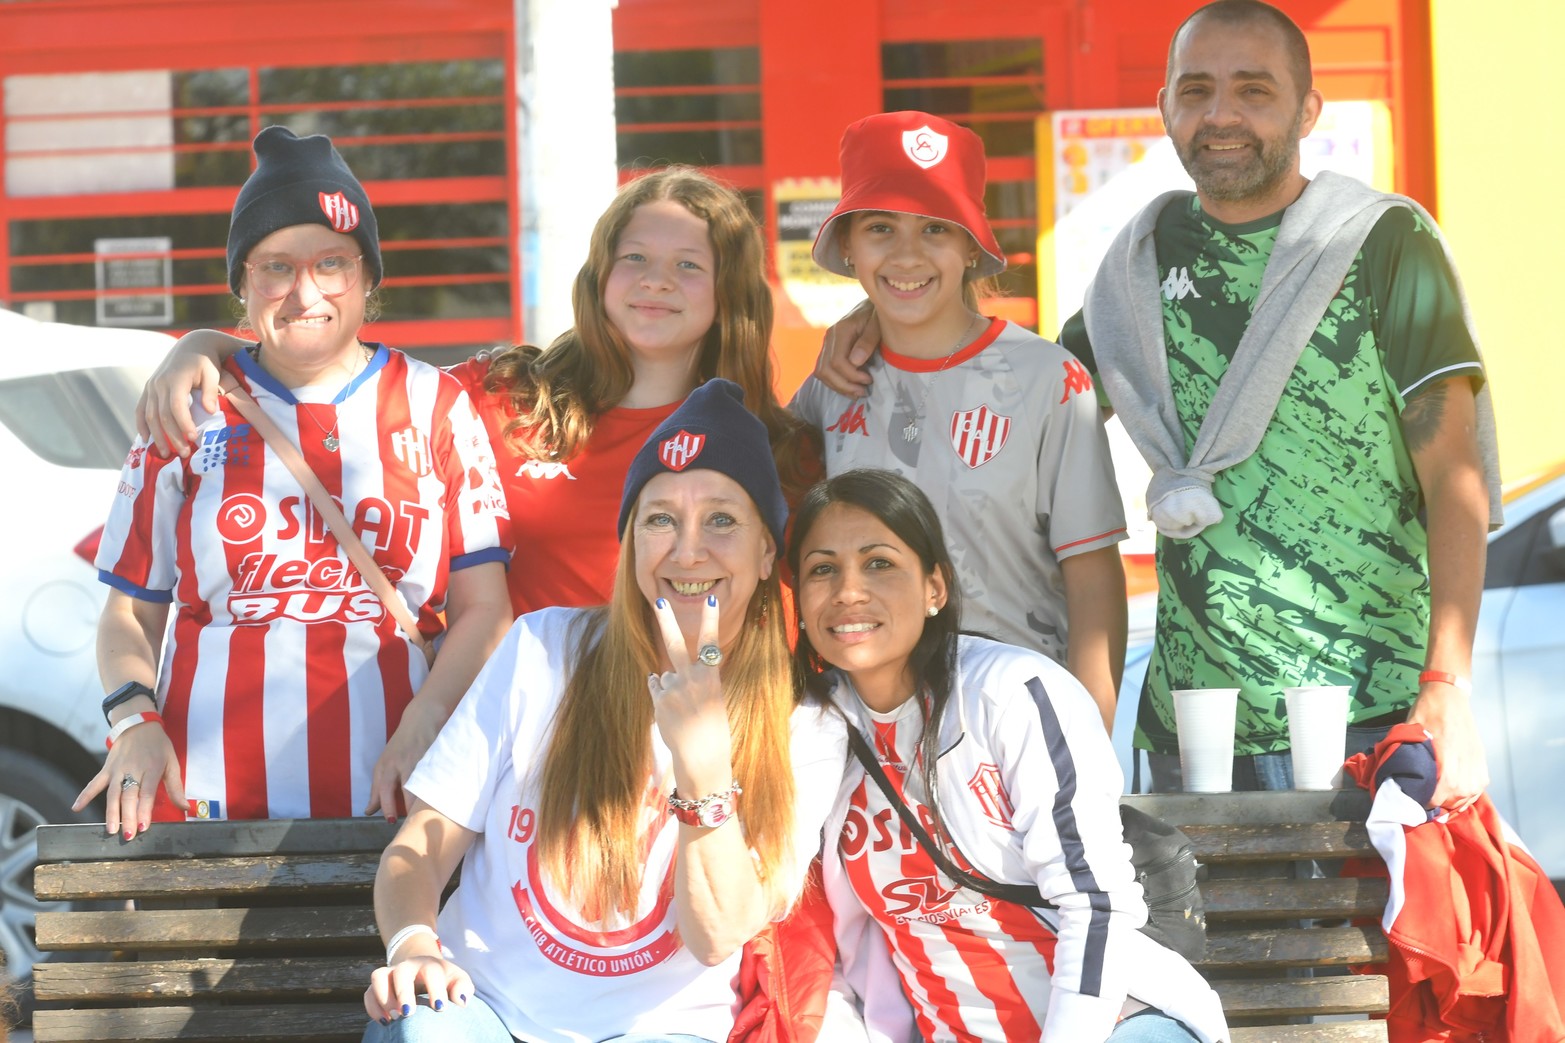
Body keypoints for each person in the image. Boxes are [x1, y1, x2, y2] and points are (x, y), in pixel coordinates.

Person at [815, 4, 1501, 808]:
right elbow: (1018, 386)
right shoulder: (1141, 259)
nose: (1221, 115)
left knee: (1362, 938)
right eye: (1197, 90)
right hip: (1191, 720)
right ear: (1165, 107)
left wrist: (1445, 682)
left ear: (1307, 110)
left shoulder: (1382, 243)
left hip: (1361, 709)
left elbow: (1453, 477)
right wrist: (889, 313)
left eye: (1253, 90)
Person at [359, 379, 847, 1043]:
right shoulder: (543, 649)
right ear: (630, 545)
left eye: (722, 520)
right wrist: (414, 943)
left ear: (768, 553)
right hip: (487, 1010)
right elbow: (419, 846)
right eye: (660, 519)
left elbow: (717, 935)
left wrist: (701, 764)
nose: (687, 549)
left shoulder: (804, 723)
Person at [77, 126, 513, 840]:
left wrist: (422, 726)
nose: (304, 291)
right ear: (243, 286)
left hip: (398, 808)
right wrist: (134, 718)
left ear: (368, 276)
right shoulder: (186, 407)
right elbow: (129, 612)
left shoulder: (436, 405)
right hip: (206, 815)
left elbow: (484, 610)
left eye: (331, 263)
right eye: (275, 266)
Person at [135, 165, 820, 618]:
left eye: (688, 265)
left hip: (693, 755)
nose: (655, 280)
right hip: (532, 764)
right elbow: (344, 373)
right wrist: (208, 345)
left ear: (728, 294)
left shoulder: (775, 451)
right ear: (599, 275)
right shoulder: (509, 394)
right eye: (633, 257)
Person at [789, 468, 1227, 1043]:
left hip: (1108, 1026)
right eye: (823, 569)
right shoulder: (811, 733)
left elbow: (1098, 907)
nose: (849, 591)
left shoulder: (1012, 692)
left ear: (934, 589)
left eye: (879, 563)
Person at [789, 111, 1128, 730]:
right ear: (847, 245)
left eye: (937, 229)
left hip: (1015, 723)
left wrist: (1086, 737)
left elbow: (1093, 579)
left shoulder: (1048, 380)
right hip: (865, 732)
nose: (907, 254)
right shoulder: (830, 387)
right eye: (881, 228)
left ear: (972, 246)